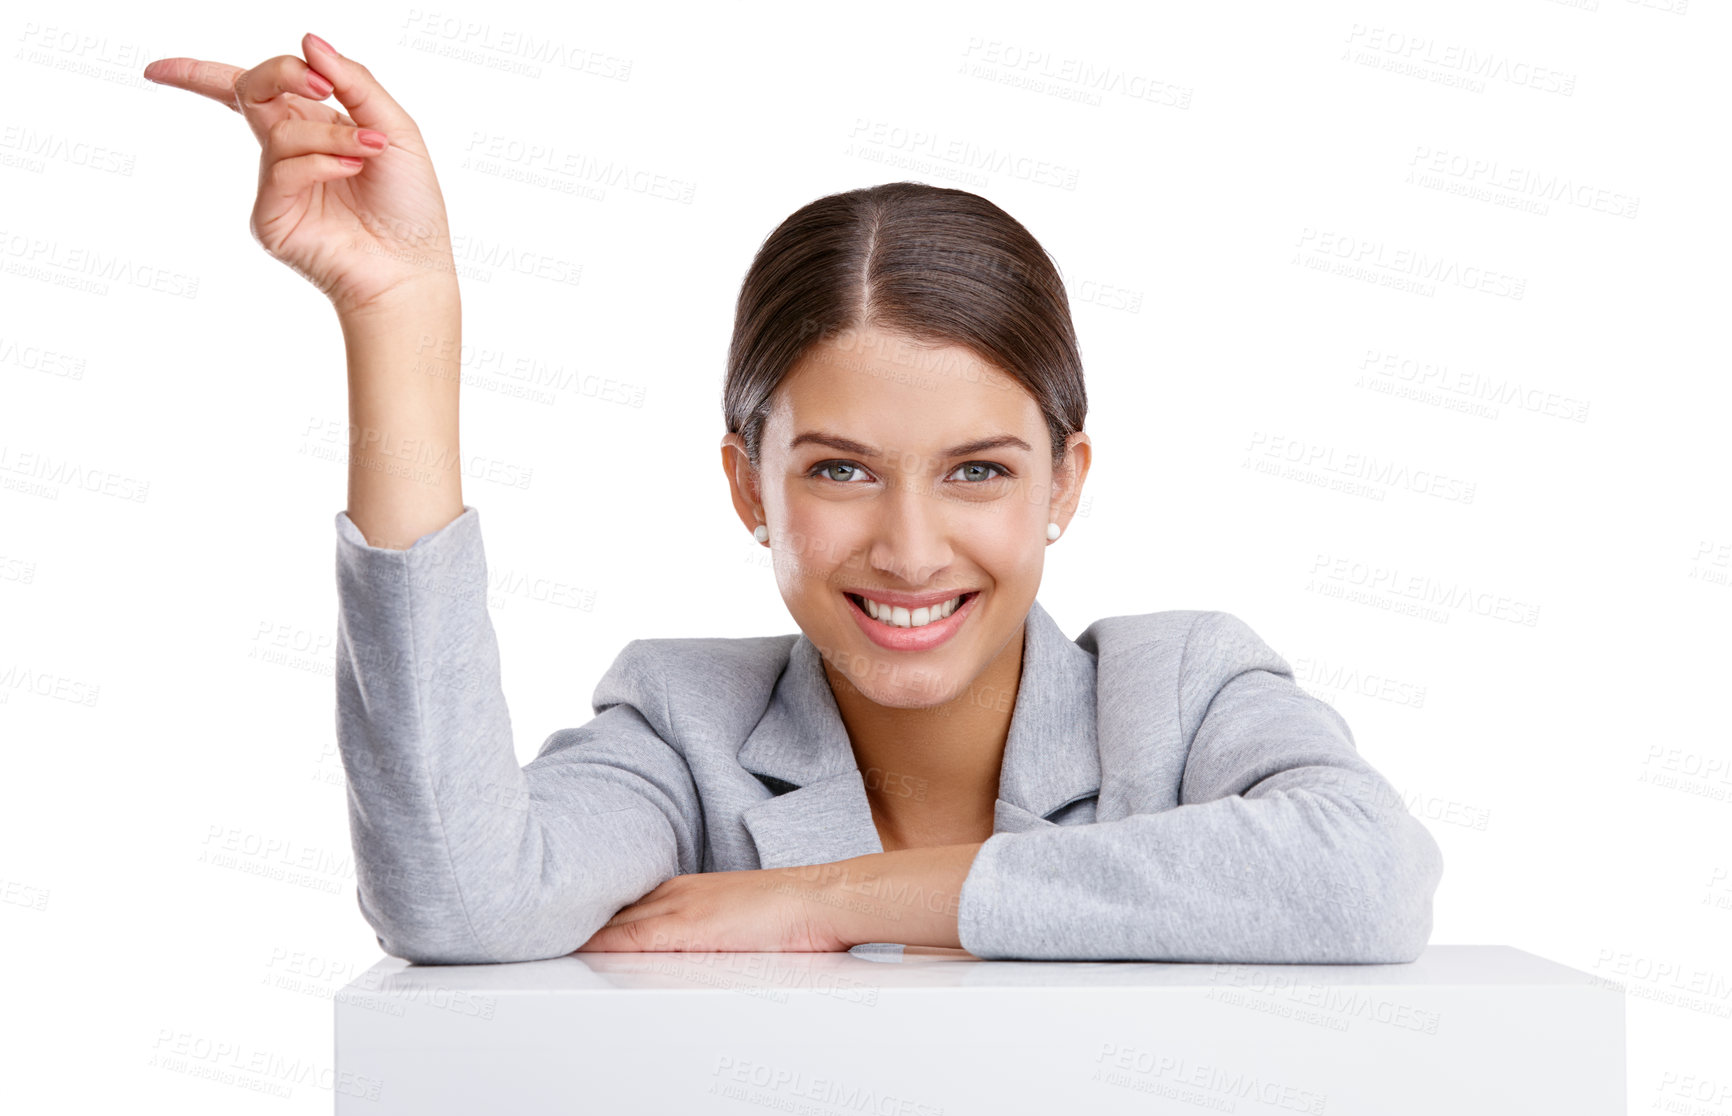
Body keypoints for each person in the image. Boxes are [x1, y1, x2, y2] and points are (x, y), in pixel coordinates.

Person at [144, 34, 1444, 966]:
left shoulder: (1178, 692)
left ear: (1068, 480)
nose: (912, 547)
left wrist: (839, 897)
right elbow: (461, 904)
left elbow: (1368, 877)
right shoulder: (684, 726)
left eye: (979, 469)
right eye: (839, 468)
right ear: (744, 484)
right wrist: (401, 312)